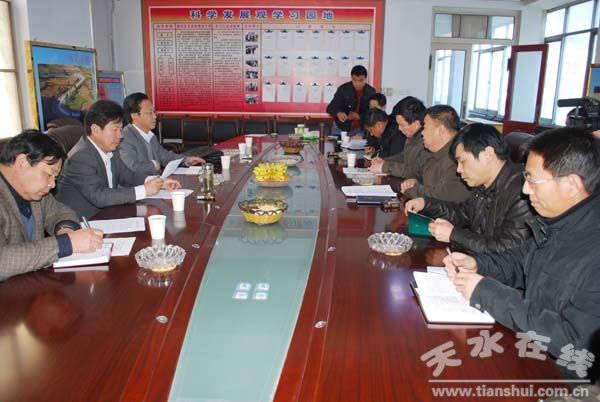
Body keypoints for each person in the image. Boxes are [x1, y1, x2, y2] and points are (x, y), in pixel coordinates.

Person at [443, 127, 600, 380]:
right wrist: (477, 264)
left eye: (532, 180)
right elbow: (518, 261)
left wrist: (486, 292)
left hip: (564, 381)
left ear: (571, 185)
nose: (525, 190)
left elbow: (576, 343)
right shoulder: (558, 224)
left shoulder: (592, 247)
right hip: (530, 352)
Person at [405, 123, 533, 253]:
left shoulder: (523, 192)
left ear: (488, 154)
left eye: (462, 161)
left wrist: (453, 235)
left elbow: (508, 251)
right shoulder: (483, 184)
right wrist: (426, 203)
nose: (459, 170)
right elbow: (462, 213)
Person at [0, 130, 103, 281]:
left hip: (31, 283)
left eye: (55, 177)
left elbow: (60, 212)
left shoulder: (32, 190)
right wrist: (66, 244)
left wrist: (65, 230)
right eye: (49, 174)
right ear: (22, 162)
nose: (52, 185)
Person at [56, 100, 181, 218]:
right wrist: (144, 190)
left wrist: (158, 182)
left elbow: (126, 176)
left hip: (109, 214)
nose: (120, 136)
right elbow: (99, 196)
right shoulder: (80, 157)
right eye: (115, 130)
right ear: (95, 130)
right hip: (85, 222)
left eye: (120, 130)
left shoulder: (110, 148)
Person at [120, 92, 204, 176]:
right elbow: (133, 168)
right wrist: (154, 165)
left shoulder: (150, 135)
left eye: (154, 112)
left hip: (156, 181)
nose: (155, 116)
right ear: (134, 116)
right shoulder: (124, 137)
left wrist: (186, 160)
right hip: (142, 183)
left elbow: (164, 156)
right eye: (150, 113)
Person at [400, 105, 470, 202]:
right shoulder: (435, 152)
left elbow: (441, 196)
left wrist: (411, 190)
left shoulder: (457, 159)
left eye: (425, 128)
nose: (422, 133)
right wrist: (414, 181)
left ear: (441, 130)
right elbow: (420, 174)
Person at [369, 96, 431, 178]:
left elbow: (415, 171)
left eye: (402, 125)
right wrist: (384, 161)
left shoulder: (427, 141)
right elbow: (404, 156)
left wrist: (385, 167)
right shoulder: (412, 135)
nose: (399, 128)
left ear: (416, 124)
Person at [326, 65, 376, 137]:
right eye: (354, 80)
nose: (357, 83)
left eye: (361, 80)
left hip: (360, 129)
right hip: (340, 128)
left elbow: (374, 113)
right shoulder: (343, 89)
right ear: (351, 78)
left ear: (365, 79)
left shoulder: (371, 92)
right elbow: (330, 108)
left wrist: (359, 116)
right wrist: (338, 113)